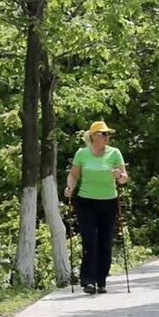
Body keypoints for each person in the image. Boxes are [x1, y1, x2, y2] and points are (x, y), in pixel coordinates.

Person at [64, 121, 128, 294]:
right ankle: (88, 281)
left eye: (108, 134)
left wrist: (119, 175)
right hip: (86, 202)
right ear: (93, 136)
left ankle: (101, 281)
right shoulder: (82, 154)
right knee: (90, 241)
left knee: (105, 243)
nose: (107, 137)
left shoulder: (115, 153)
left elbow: (124, 178)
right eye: (103, 134)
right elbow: (74, 174)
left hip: (108, 201)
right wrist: (70, 187)